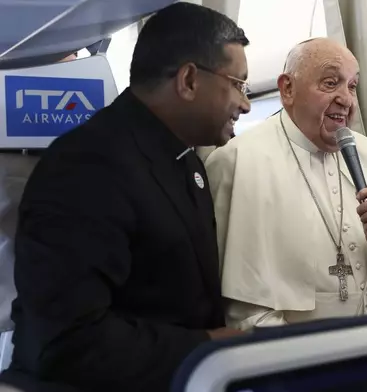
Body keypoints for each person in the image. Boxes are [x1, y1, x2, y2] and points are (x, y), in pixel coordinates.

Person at [0, 3, 251, 392]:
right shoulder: (87, 166)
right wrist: (204, 347)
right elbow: (66, 341)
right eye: (238, 83)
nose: (246, 103)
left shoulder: (188, 165)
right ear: (188, 80)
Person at [205, 38, 367, 330]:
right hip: (295, 358)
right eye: (331, 83)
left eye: (352, 86)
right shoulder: (238, 160)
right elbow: (243, 307)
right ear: (287, 88)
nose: (347, 99)